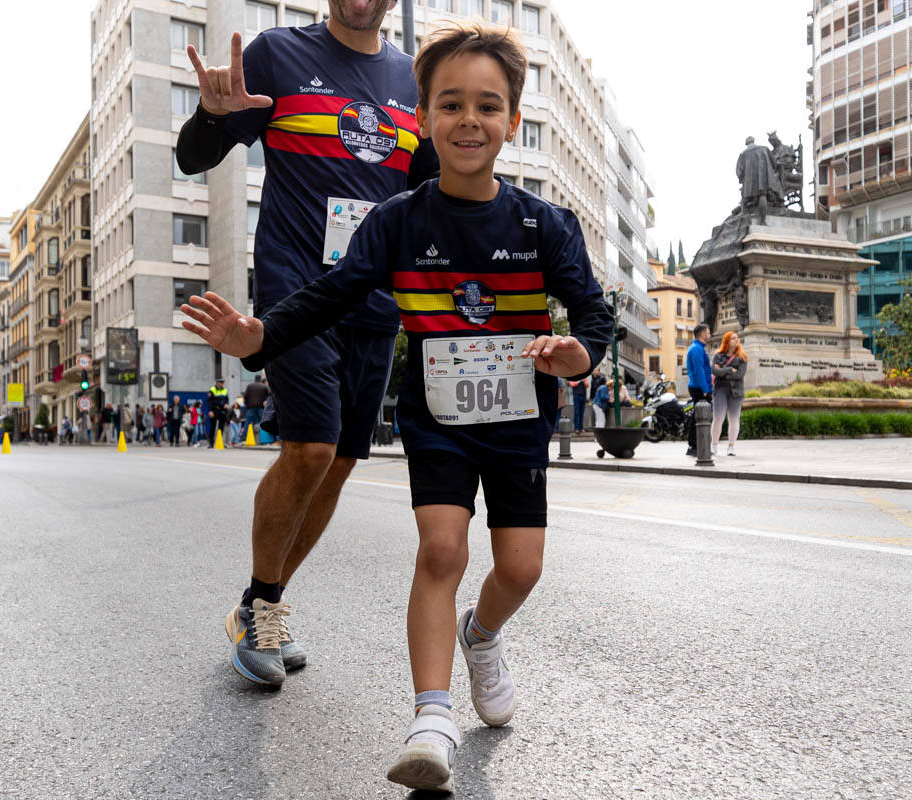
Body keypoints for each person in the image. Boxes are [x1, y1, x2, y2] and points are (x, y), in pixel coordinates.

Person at [180, 21, 613, 793]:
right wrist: (257, 334)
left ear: (512, 119)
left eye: (488, 107)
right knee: (380, 503)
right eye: (451, 106)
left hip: (466, 375)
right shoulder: (291, 70)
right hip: (367, 350)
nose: (468, 120)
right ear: (430, 111)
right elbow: (211, 173)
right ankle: (403, 698)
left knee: (387, 486)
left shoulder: (535, 217)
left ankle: (476, 637)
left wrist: (576, 353)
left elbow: (582, 306)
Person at [176, 0, 439, 688]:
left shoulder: (418, 80)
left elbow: (432, 195)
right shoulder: (276, 56)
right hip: (295, 291)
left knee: (341, 461)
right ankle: (262, 609)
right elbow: (193, 157)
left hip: (374, 299)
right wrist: (210, 116)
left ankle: (262, 601)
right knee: (311, 447)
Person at [710, 330, 748, 456]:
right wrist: (729, 369)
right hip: (720, 389)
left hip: (736, 391)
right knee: (718, 418)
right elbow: (715, 372)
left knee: (734, 419)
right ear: (727, 341)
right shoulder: (718, 355)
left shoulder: (742, 357)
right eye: (733, 338)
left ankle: (731, 447)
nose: (736, 340)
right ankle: (714, 445)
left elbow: (739, 374)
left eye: (737, 338)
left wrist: (723, 371)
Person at [685, 323, 712, 456]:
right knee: (700, 417)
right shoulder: (696, 349)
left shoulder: (698, 348)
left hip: (699, 387)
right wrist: (705, 389)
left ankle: (695, 446)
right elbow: (699, 370)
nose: (710, 334)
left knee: (698, 417)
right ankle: (694, 447)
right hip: (699, 388)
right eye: (708, 332)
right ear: (702, 334)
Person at [242, 374, 268, 442]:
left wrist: (247, 405)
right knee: (262, 423)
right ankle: (262, 439)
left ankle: (245, 439)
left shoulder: (249, 386)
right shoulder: (264, 386)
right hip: (261, 407)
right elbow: (268, 396)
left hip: (251, 407)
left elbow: (245, 397)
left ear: (254, 379)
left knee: (248, 422)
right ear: (260, 379)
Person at [207, 378, 229, 447]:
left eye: (222, 382)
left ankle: (219, 442)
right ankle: (211, 443)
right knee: (212, 427)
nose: (221, 384)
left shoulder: (225, 390)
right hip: (214, 410)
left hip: (222, 411)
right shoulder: (212, 389)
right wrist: (210, 411)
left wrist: (226, 404)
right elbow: (209, 401)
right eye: (220, 382)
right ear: (217, 382)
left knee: (221, 427)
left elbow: (226, 400)